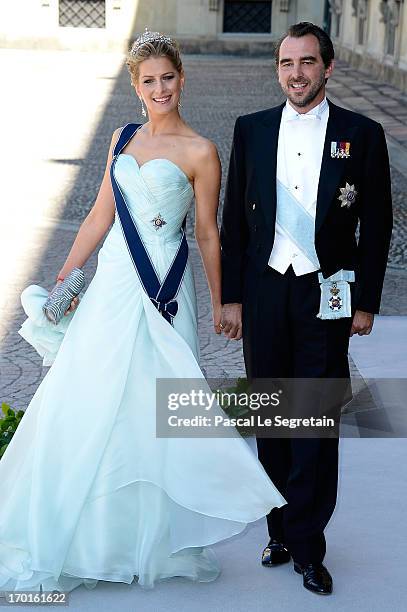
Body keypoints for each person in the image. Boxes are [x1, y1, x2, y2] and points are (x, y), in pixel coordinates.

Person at [0, 31, 286, 593]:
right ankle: (85, 536)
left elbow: (207, 234)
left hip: (164, 293)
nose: (160, 88)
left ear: (182, 79)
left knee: (159, 412)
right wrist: (67, 277)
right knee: (91, 398)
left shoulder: (202, 151)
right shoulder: (122, 138)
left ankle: (151, 541)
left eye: (168, 78)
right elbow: (99, 216)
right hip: (111, 290)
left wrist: (222, 301)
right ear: (135, 87)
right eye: (148, 80)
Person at [220, 22, 392, 595]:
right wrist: (232, 298)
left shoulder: (360, 133)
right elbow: (232, 224)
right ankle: (278, 529)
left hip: (330, 288)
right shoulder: (252, 129)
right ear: (278, 69)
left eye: (307, 62)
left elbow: (378, 224)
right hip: (267, 289)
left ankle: (309, 544)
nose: (296, 73)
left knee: (315, 420)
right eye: (286, 63)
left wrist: (365, 300)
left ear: (328, 67)